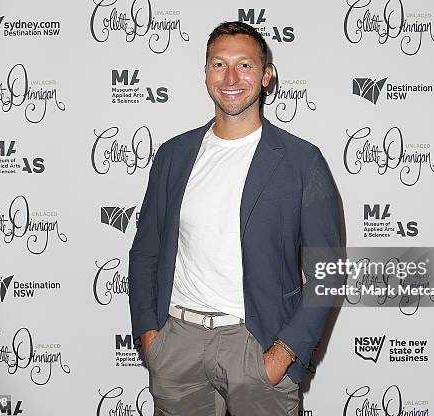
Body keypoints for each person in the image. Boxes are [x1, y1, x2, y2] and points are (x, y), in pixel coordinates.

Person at [128, 21, 342, 416]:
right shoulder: (173, 156)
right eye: (218, 64)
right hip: (177, 342)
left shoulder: (301, 162)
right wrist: (150, 337)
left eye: (244, 65)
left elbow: (328, 272)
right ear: (206, 72)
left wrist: (284, 353)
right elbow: (145, 253)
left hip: (258, 344)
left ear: (266, 76)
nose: (230, 77)